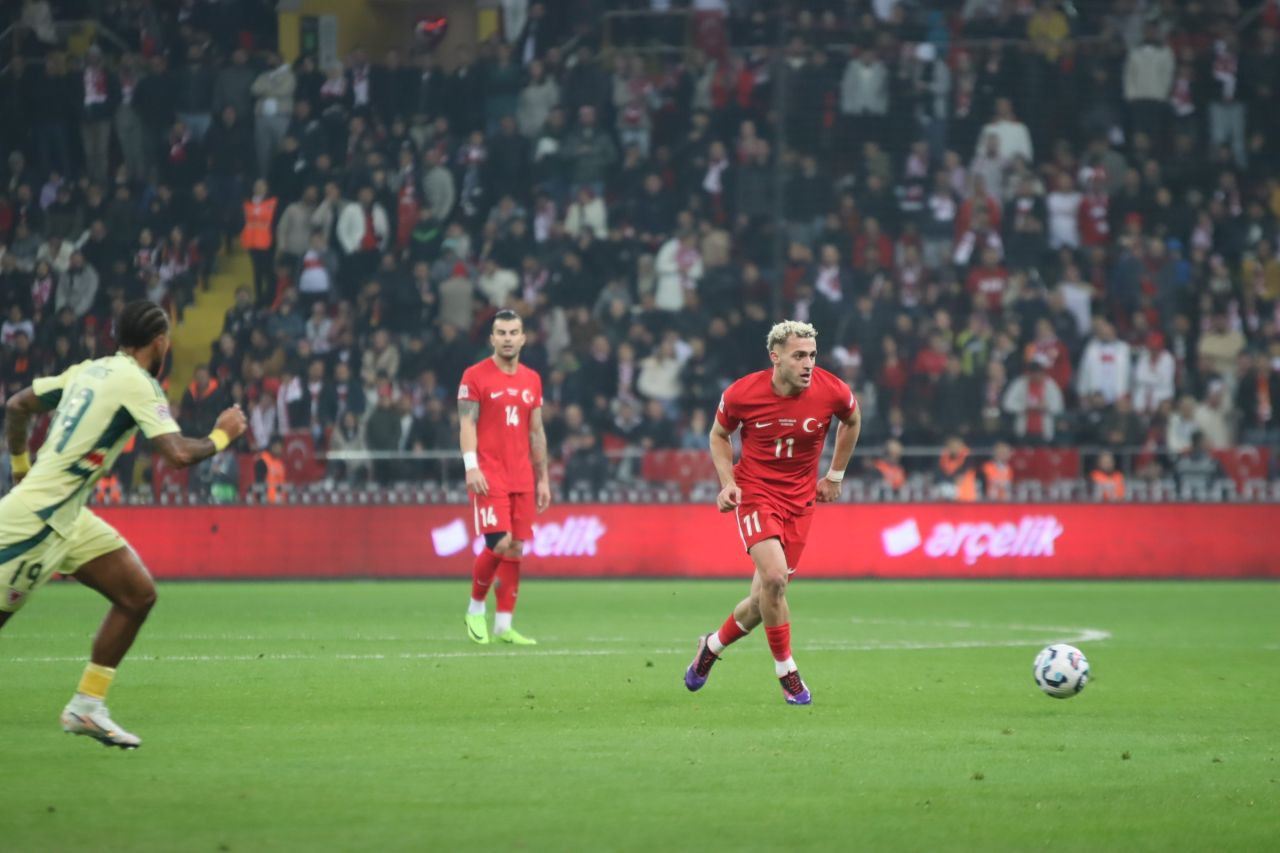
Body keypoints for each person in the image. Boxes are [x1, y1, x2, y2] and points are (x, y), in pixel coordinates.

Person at [0, 301, 247, 748]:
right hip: (36, 521)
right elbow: (178, 455)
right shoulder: (139, 382)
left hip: (66, 514)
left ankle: (87, 707)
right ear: (160, 343)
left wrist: (21, 470)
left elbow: (18, 405)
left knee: (137, 595)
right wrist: (223, 434)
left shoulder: (88, 370)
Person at [685, 320, 862, 705]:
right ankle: (787, 672)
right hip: (756, 495)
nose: (808, 364)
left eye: (813, 355)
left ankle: (710, 648)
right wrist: (727, 482)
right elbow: (718, 435)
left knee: (763, 600)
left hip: (800, 502)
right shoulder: (742, 393)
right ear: (776, 357)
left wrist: (834, 475)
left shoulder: (831, 390)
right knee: (776, 578)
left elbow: (852, 420)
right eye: (799, 355)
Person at [458, 309, 551, 646]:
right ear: (492, 338)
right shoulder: (475, 376)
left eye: (514, 332)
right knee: (498, 542)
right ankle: (474, 609)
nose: (508, 338)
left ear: (523, 338)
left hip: (522, 475)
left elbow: (537, 431)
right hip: (489, 473)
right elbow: (466, 423)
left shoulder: (532, 380)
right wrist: (471, 466)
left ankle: (504, 625)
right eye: (502, 333)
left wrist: (543, 479)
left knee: (515, 548)